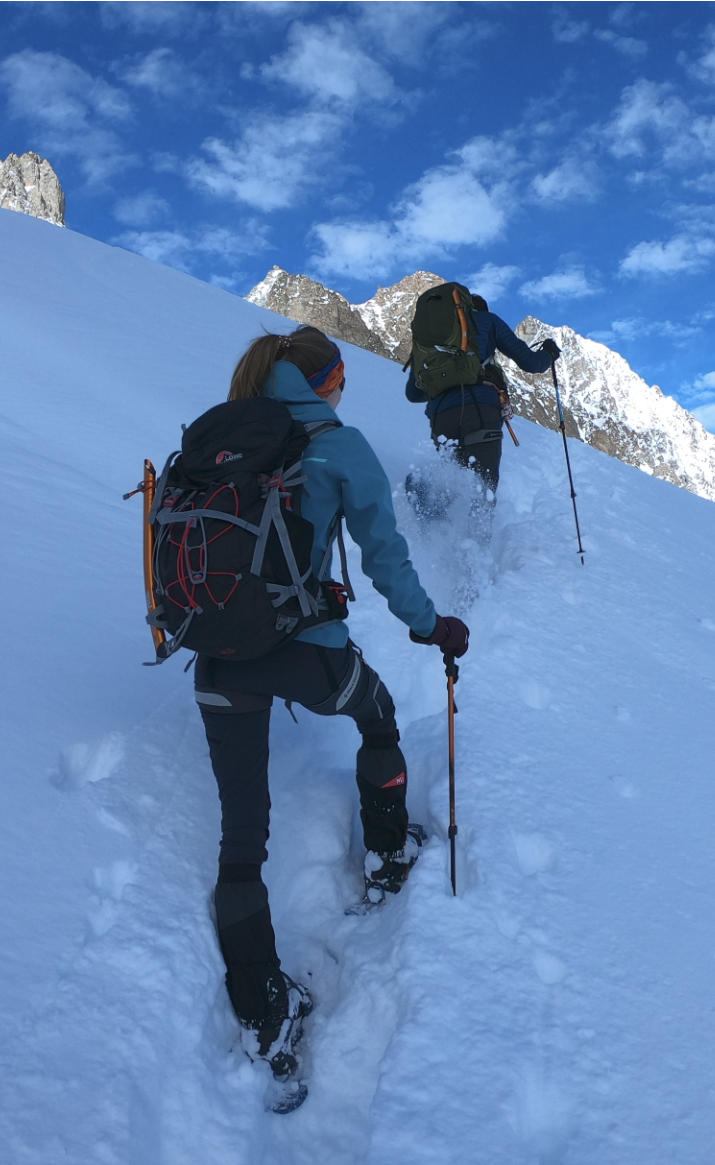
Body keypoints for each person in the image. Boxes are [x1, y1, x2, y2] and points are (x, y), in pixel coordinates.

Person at [195, 325, 469, 1077]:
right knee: (376, 715)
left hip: (215, 660)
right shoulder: (337, 446)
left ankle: (263, 1012)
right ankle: (386, 853)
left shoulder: (222, 439)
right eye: (343, 378)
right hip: (304, 654)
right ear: (327, 383)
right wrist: (433, 626)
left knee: (241, 837)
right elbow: (386, 558)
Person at [406, 292, 560, 491]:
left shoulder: (432, 336)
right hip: (480, 411)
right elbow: (531, 363)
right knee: (483, 489)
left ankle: (423, 496)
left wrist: (447, 385)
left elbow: (413, 393)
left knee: (450, 484)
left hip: (441, 417)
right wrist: (549, 353)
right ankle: (472, 513)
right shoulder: (487, 321)